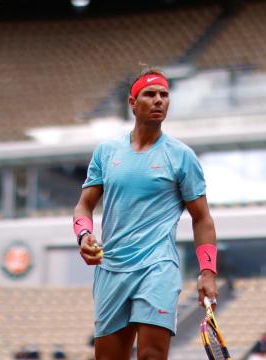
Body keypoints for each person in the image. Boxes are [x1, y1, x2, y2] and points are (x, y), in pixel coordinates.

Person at [73, 66, 219, 360]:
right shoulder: (106, 152)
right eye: (150, 94)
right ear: (132, 103)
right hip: (110, 268)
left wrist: (208, 272)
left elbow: (202, 218)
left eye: (164, 95)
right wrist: (84, 235)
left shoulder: (181, 156)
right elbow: (84, 205)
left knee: (151, 355)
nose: (159, 100)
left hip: (157, 267)